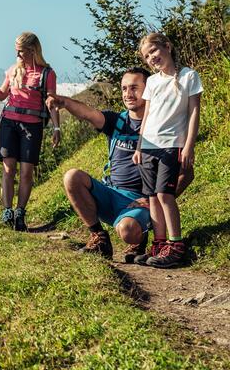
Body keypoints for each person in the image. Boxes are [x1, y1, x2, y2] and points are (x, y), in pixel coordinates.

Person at [46, 67, 194, 263]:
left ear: (149, 89)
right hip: (109, 193)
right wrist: (63, 101)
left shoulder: (162, 126)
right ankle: (99, 238)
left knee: (128, 230)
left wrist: (154, 202)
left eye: (134, 88)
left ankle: (139, 239)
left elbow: (187, 172)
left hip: (139, 201)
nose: (127, 94)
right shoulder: (117, 121)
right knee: (72, 176)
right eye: (124, 89)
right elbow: (88, 114)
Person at [0, 32, 60, 231]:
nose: (18, 55)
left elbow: (52, 103)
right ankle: (7, 211)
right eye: (16, 52)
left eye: (21, 52)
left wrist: (56, 127)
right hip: (9, 123)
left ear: (32, 50)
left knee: (26, 172)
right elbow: (1, 95)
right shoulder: (13, 70)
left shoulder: (47, 73)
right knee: (8, 169)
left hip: (32, 125)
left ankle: (20, 213)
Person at [131, 33, 203, 268]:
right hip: (148, 147)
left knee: (165, 194)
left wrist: (189, 145)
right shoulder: (151, 82)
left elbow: (193, 113)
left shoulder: (188, 76)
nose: (151, 58)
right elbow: (147, 115)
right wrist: (139, 146)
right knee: (153, 197)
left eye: (154, 51)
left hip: (172, 145)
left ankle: (176, 245)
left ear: (167, 47)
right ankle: (160, 243)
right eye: (147, 56)